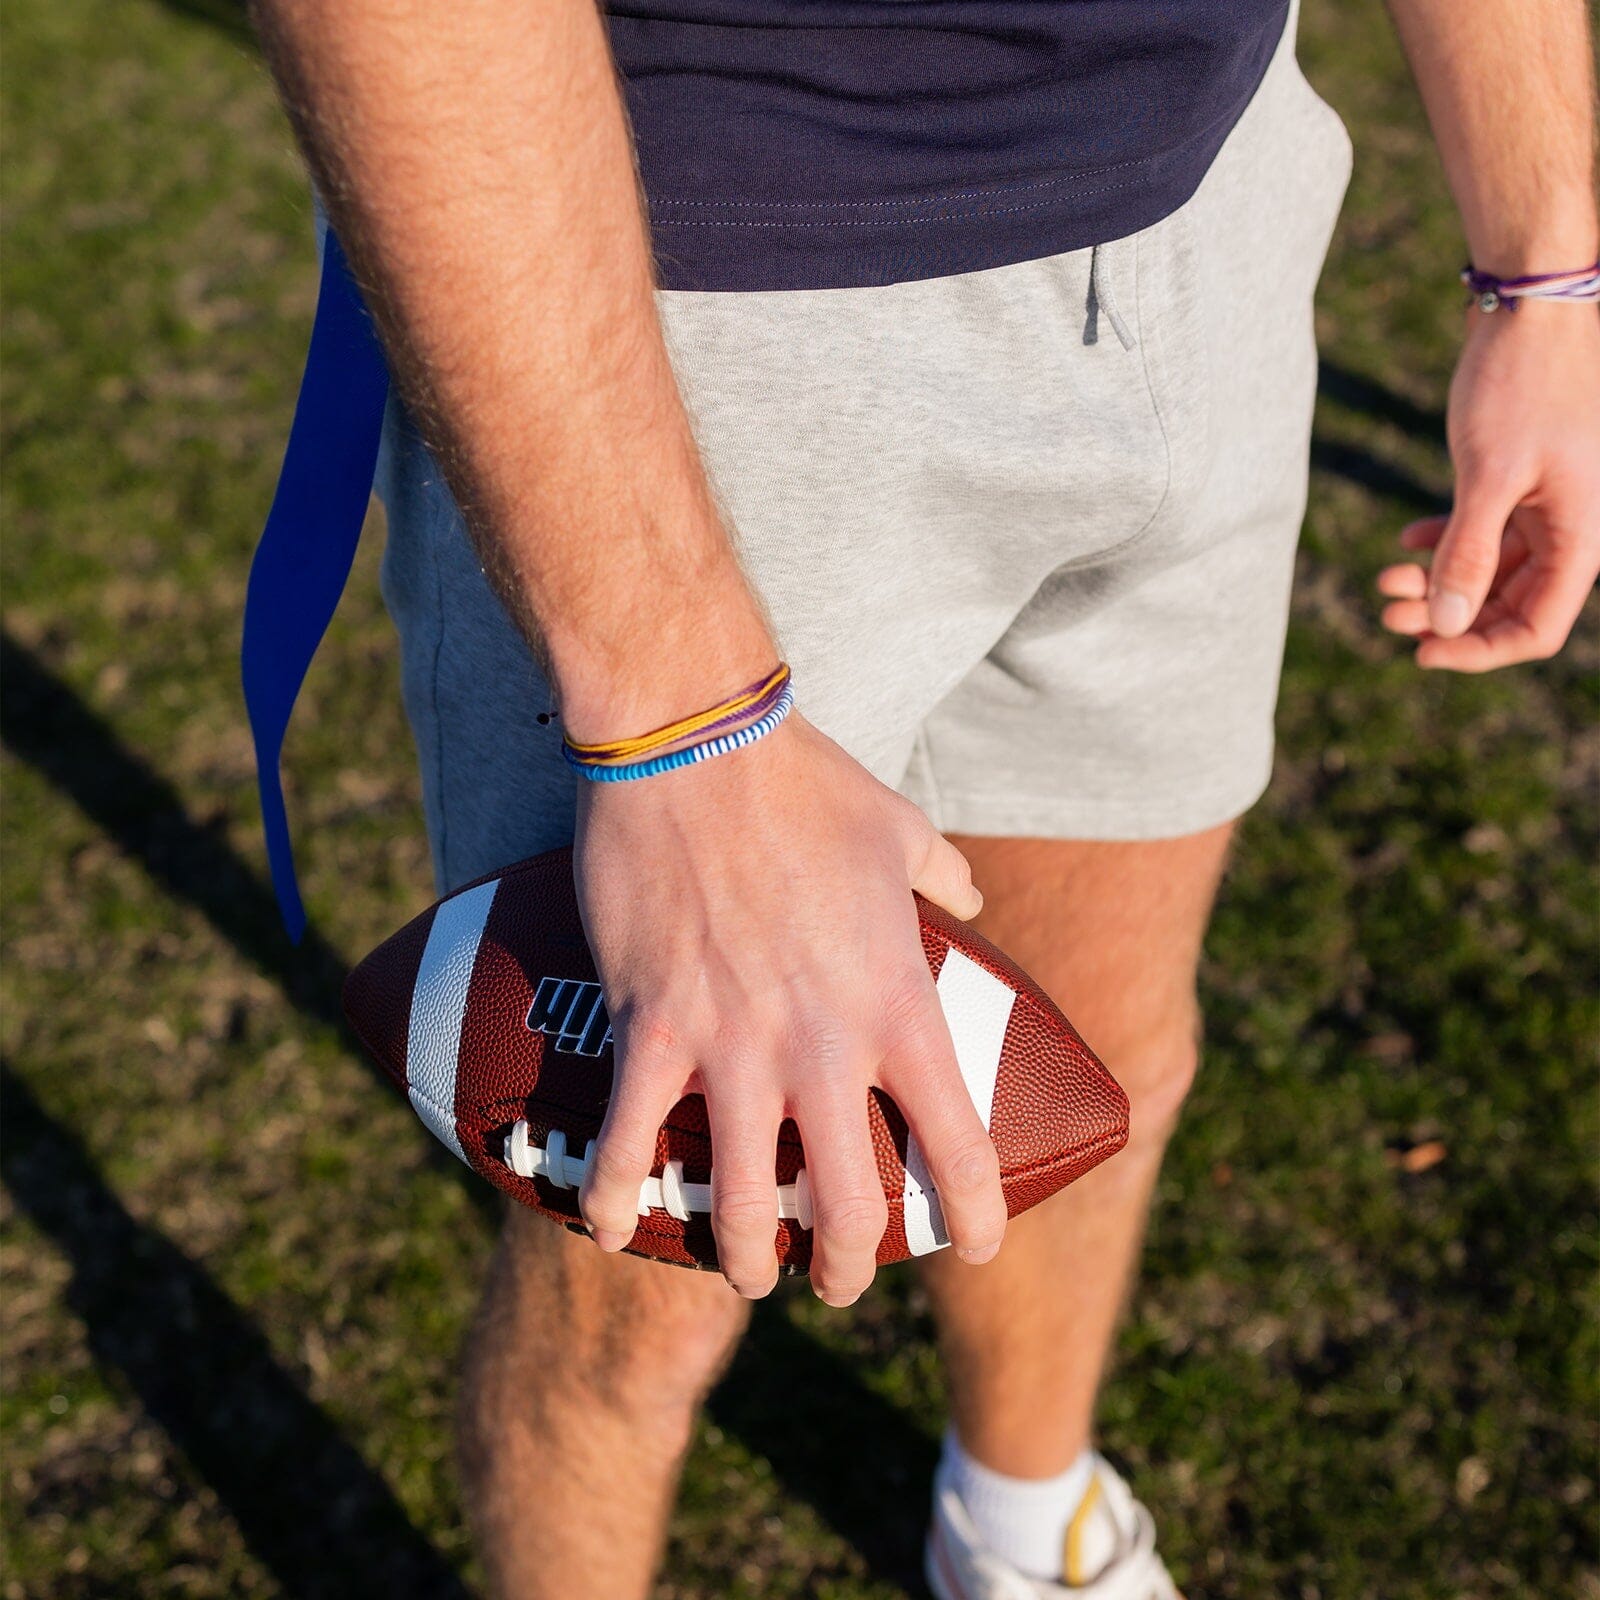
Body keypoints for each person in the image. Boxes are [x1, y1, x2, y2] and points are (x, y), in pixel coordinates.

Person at [249, 0, 1599, 1593]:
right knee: (650, 1264)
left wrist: (1546, 260)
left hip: (1209, 191)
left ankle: (1021, 1526)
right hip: (706, 291)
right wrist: (680, 715)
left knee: (1104, 1058)